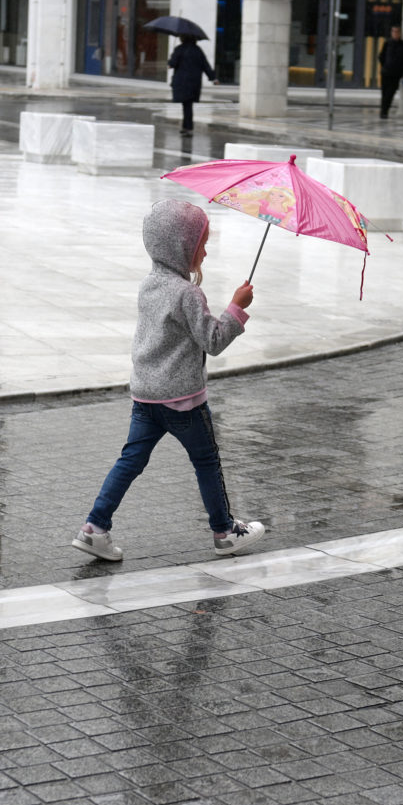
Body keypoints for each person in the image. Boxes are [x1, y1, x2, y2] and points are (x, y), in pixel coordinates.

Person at [73, 199, 267, 563]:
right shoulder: (188, 294)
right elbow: (213, 340)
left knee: (129, 460)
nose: (205, 252)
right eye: (201, 245)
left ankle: (94, 528)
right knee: (206, 461)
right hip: (183, 401)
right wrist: (238, 308)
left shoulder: (149, 285)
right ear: (182, 247)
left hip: (146, 397)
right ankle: (224, 531)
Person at [169, 33, 215, 136]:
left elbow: (172, 64)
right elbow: (205, 65)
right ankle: (187, 127)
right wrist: (213, 78)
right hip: (194, 82)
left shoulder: (179, 49)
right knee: (188, 105)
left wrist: (170, 60)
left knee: (186, 105)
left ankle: (187, 127)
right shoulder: (198, 50)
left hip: (182, 82)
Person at [377, 26, 403, 121]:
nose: (395, 33)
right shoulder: (387, 43)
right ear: (391, 32)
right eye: (394, 31)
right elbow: (381, 56)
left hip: (396, 73)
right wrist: (385, 65)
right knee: (384, 92)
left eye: (397, 31)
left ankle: (384, 111)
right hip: (386, 72)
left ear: (400, 33)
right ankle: (383, 111)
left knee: (391, 92)